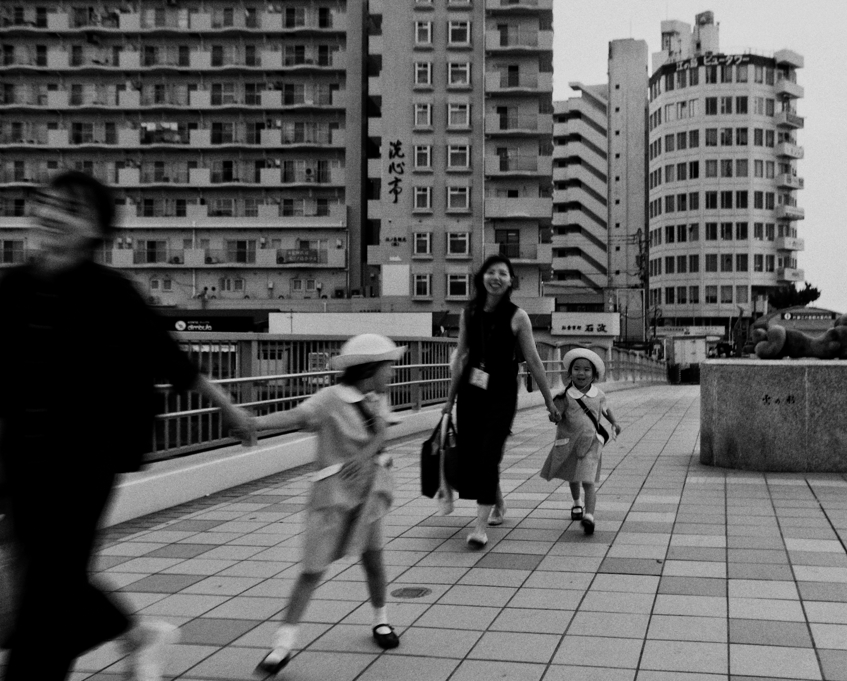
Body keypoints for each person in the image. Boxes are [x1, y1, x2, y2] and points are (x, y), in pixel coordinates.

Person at [0, 171, 253, 681]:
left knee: (48, 587)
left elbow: (171, 359)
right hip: (20, 461)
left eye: (70, 209)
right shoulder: (13, 287)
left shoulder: (112, 292)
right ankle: (138, 636)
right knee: (54, 578)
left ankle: (57, 658)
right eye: (47, 202)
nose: (51, 214)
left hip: (84, 461)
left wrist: (230, 408)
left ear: (96, 229)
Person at [253, 334, 405, 675]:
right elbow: (298, 415)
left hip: (368, 494)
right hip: (332, 497)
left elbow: (381, 433)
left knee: (374, 559)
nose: (393, 372)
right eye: (389, 366)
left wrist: (365, 455)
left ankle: (381, 620)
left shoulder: (377, 397)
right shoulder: (329, 399)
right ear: (370, 368)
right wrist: (255, 423)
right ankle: (282, 644)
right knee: (312, 568)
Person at [442, 254, 561, 548]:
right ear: (482, 276)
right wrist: (449, 401)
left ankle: (479, 528)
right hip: (471, 393)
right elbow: (461, 358)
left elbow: (533, 360)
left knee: (490, 453)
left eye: (503, 274)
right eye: (491, 272)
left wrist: (549, 401)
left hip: (502, 394)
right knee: (475, 455)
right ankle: (498, 502)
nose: (496, 278)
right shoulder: (468, 313)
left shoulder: (518, 316)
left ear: (510, 281)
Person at [540, 348, 621, 535]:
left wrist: (614, 422)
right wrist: (554, 416)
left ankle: (589, 516)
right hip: (570, 443)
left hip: (591, 443)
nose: (581, 373)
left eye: (586, 369)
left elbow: (605, 410)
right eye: (576, 369)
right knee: (573, 476)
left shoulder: (598, 394)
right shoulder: (565, 396)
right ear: (570, 373)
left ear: (594, 374)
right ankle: (577, 502)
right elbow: (555, 415)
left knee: (588, 479)